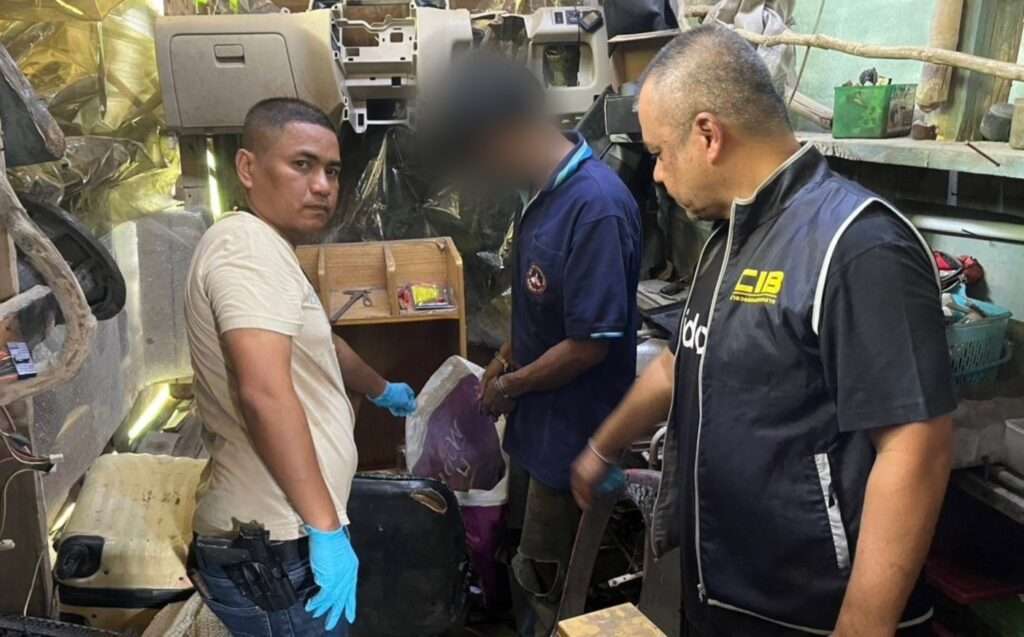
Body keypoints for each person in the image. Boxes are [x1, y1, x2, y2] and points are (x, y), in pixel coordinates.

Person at [572, 26, 956, 637]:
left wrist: (861, 627)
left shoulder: (856, 246)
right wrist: (603, 447)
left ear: (708, 135)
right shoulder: (729, 239)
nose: (659, 176)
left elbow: (916, 446)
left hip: (810, 620)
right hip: (725, 602)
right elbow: (684, 358)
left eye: (661, 153)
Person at [423, 54, 642, 636]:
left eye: (478, 153)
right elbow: (540, 310)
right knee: (522, 562)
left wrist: (511, 387)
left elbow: (589, 345)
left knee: (549, 582)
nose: (483, 169)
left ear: (504, 134)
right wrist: (501, 361)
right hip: (536, 429)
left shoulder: (595, 208)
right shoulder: (544, 196)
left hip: (573, 442)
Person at [184, 98, 417, 636]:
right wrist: (326, 528)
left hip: (284, 538)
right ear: (247, 168)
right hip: (277, 548)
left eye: (332, 171)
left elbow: (322, 344)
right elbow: (263, 394)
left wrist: (380, 389)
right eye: (302, 165)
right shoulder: (246, 251)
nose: (322, 186)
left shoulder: (268, 248)